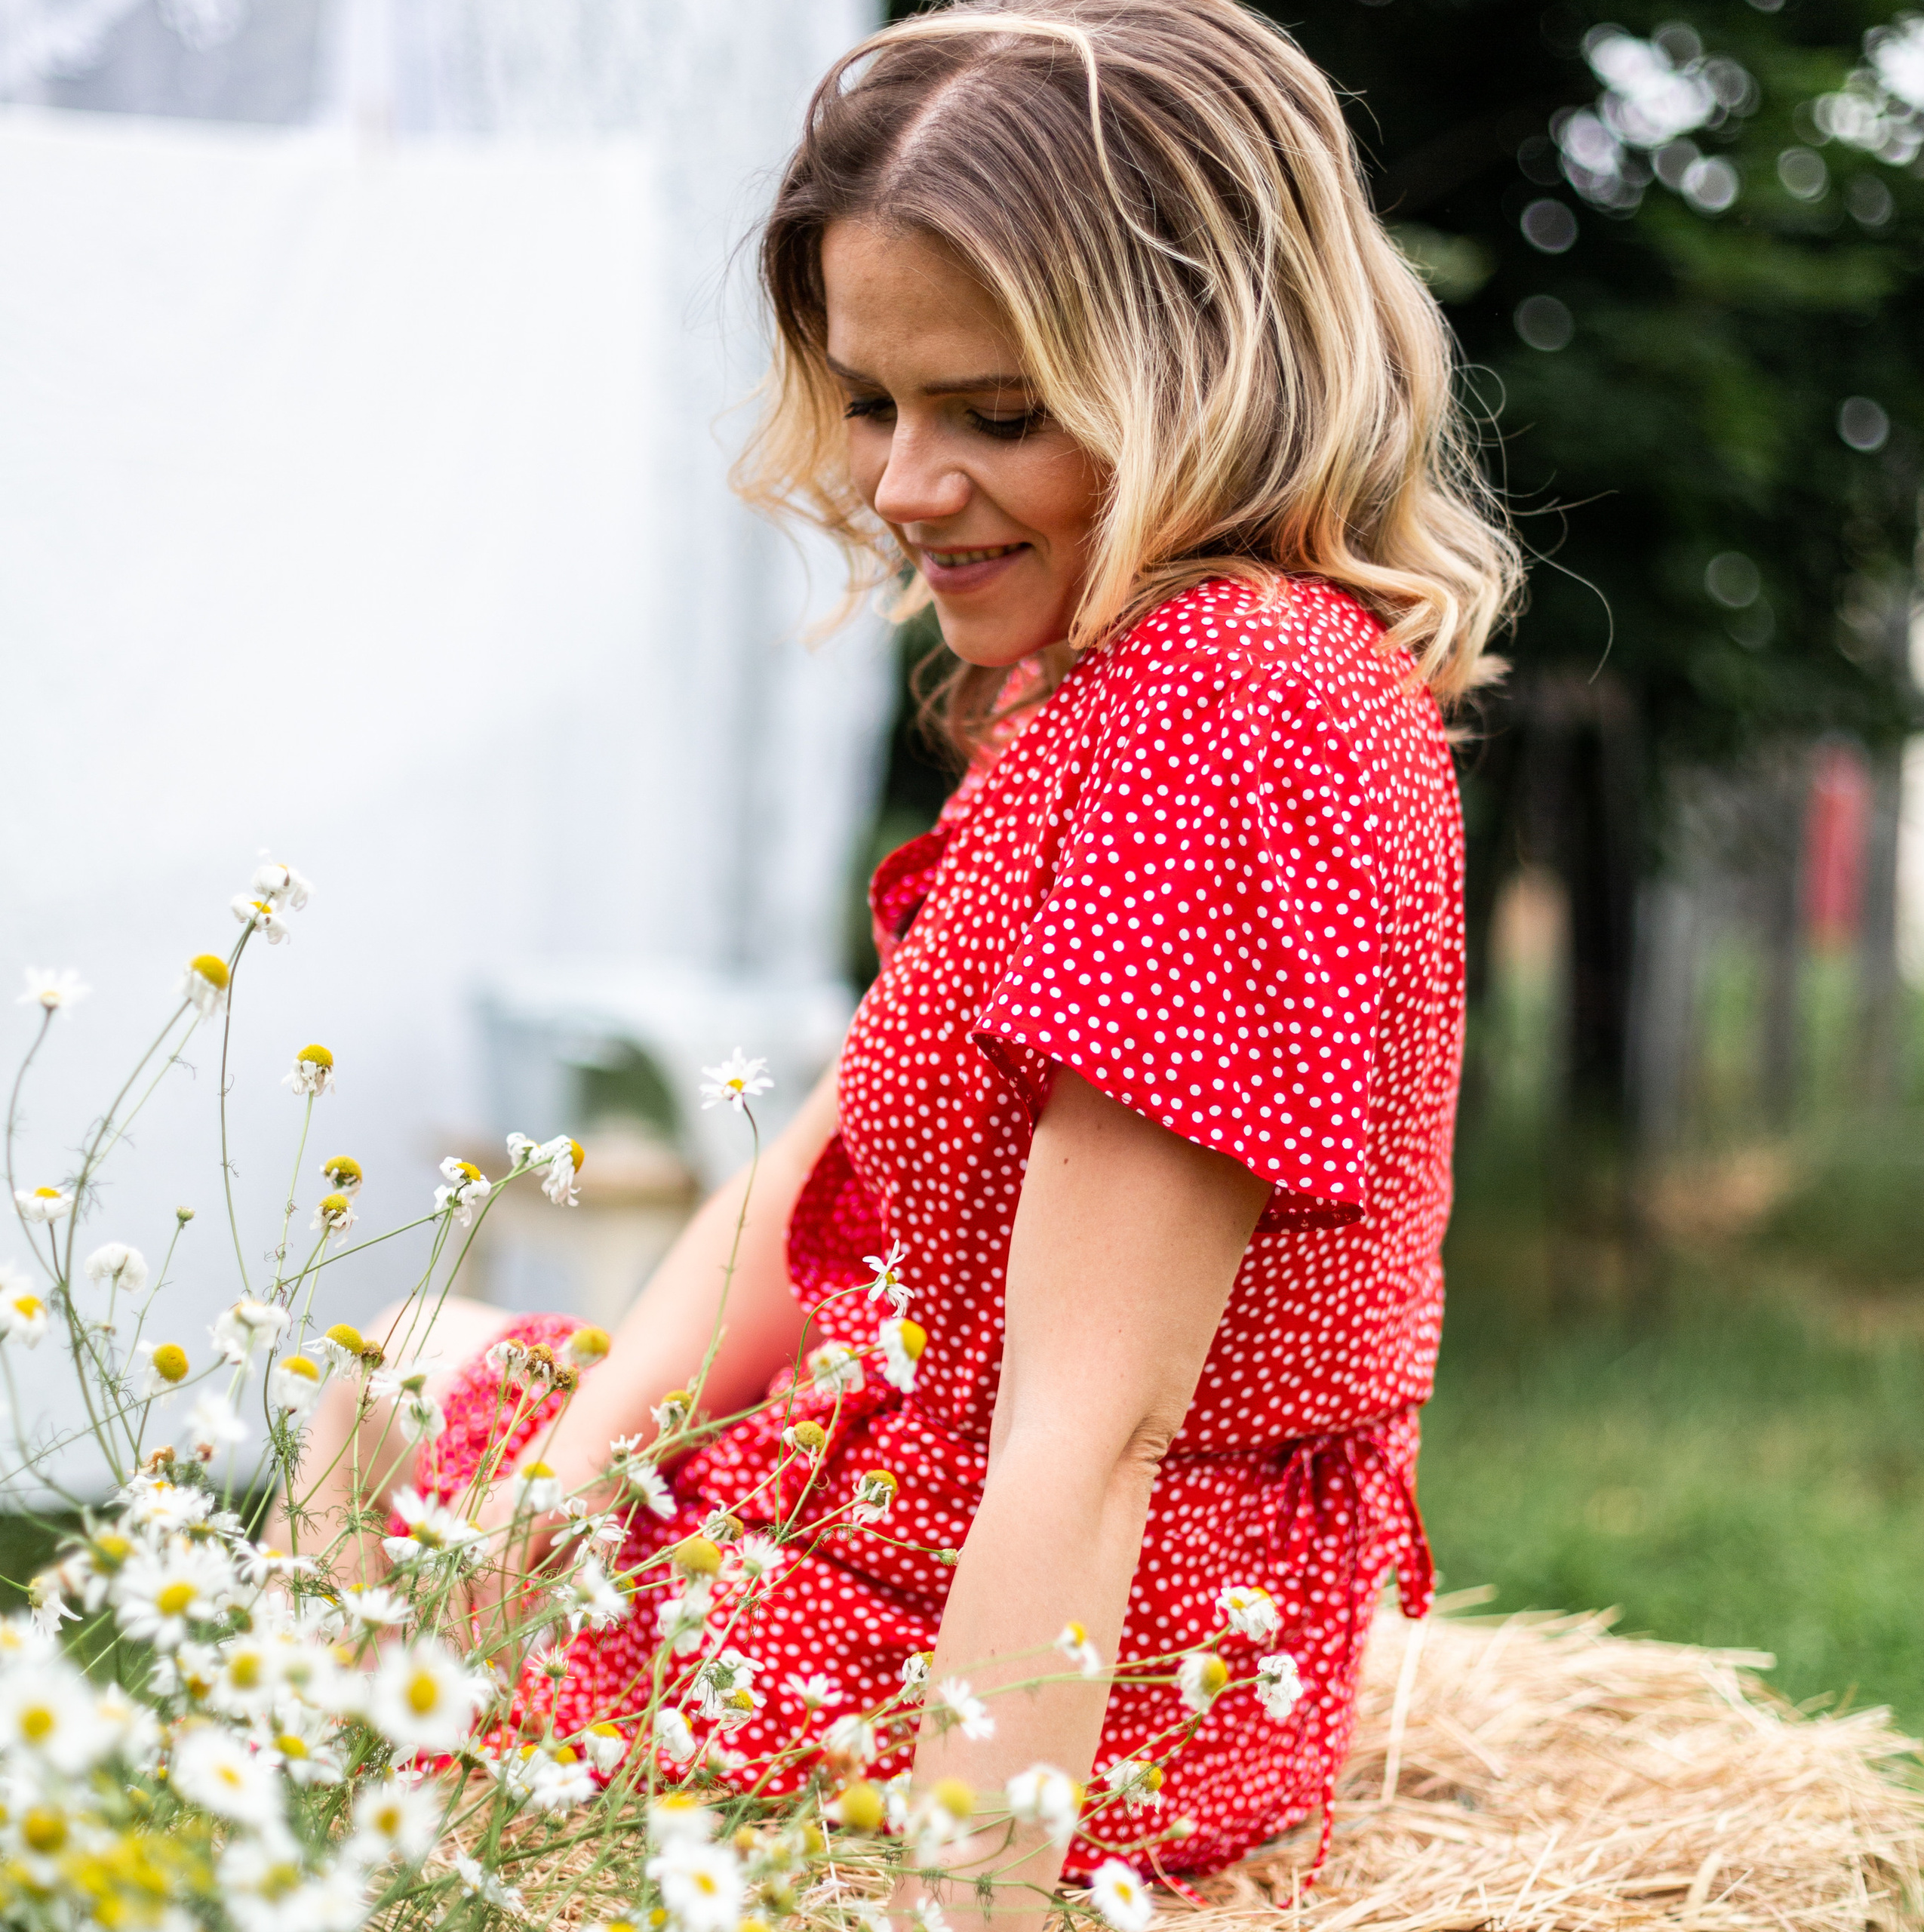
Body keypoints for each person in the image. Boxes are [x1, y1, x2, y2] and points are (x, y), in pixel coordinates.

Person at [290, 0, 1518, 1917]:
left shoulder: (1237, 714)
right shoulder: (1114, 672)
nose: (899, 481)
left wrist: (964, 1889)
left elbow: (1084, 1431)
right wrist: (565, 1497)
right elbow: (833, 1155)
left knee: (382, 1460)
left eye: (994, 414)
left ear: (1212, 367)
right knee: (398, 1381)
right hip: (908, 1495)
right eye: (876, 401)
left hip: (1071, 1651)